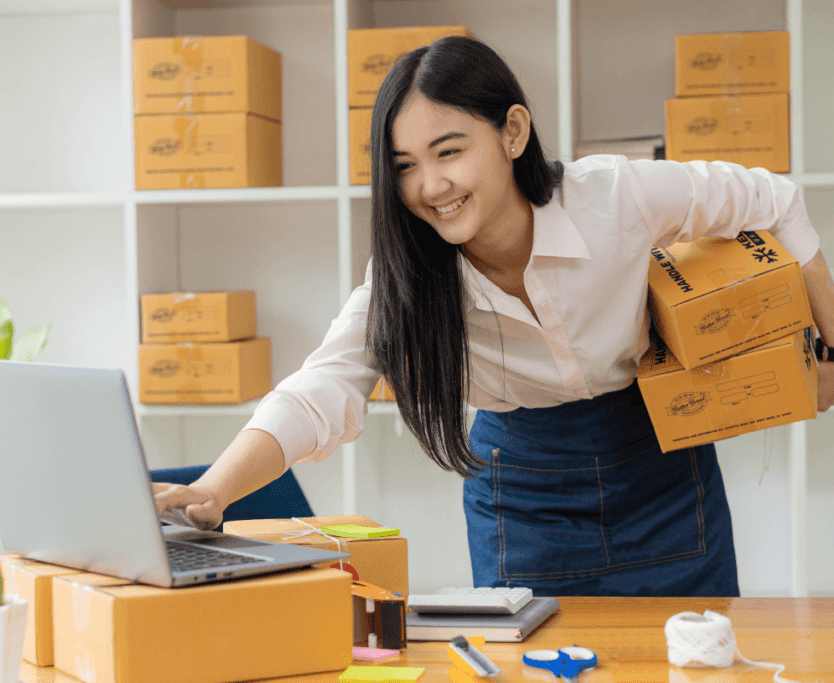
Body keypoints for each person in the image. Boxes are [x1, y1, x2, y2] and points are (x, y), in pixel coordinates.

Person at [154, 36, 834, 596]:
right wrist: (215, 487)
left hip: (659, 473)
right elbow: (320, 389)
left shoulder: (615, 199)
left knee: (699, 665)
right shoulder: (406, 279)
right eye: (406, 166)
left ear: (512, 131)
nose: (431, 186)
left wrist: (830, 347)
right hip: (523, 497)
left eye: (449, 151)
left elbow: (772, 201)